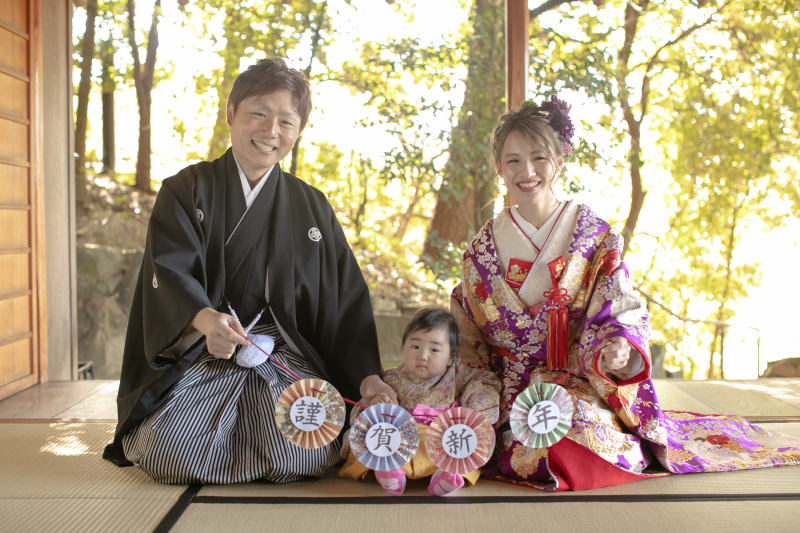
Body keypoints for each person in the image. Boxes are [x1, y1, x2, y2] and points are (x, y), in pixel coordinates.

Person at [450, 96, 800, 492]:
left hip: (574, 379)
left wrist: (615, 347)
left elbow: (619, 304)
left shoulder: (593, 236)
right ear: (499, 167)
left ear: (559, 161)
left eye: (538, 157)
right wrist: (470, 386)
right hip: (505, 388)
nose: (526, 171)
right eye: (512, 160)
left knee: (574, 433)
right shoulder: (482, 249)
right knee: (470, 434)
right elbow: (467, 330)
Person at [102, 58, 396, 484]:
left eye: (285, 121)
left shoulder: (312, 206)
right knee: (171, 454)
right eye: (258, 113)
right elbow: (168, 270)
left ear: (298, 130)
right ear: (231, 113)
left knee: (308, 455)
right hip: (205, 346)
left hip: (284, 354)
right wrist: (205, 320)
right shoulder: (186, 190)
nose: (270, 131)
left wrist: (368, 378)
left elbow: (345, 298)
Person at [339, 308, 501, 496]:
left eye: (434, 349)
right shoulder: (391, 378)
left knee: (467, 445)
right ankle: (389, 472)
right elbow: (364, 409)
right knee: (367, 438)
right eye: (415, 347)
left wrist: (475, 409)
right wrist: (377, 402)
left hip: (440, 436)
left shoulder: (459, 375)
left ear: (450, 357)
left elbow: (484, 384)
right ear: (403, 348)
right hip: (400, 437)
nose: (422, 356)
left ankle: (447, 476)